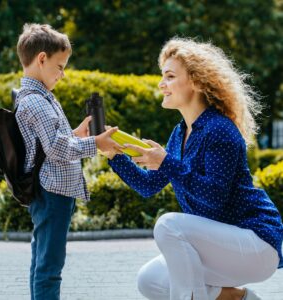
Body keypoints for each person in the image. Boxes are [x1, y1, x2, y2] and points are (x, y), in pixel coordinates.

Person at [104, 37, 283, 300]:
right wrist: (113, 154)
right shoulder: (179, 134)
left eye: (170, 76)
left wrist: (166, 162)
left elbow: (214, 197)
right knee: (150, 280)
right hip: (222, 244)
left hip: (256, 242)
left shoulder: (219, 129)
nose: (161, 84)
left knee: (168, 225)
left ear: (197, 82)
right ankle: (238, 297)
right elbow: (148, 185)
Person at [15, 23, 122, 300]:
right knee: (50, 266)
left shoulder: (38, 97)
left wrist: (76, 134)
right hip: (54, 192)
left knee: (42, 260)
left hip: (51, 189)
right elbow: (56, 148)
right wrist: (96, 143)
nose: (62, 74)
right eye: (60, 66)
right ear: (41, 59)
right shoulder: (37, 101)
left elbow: (52, 141)